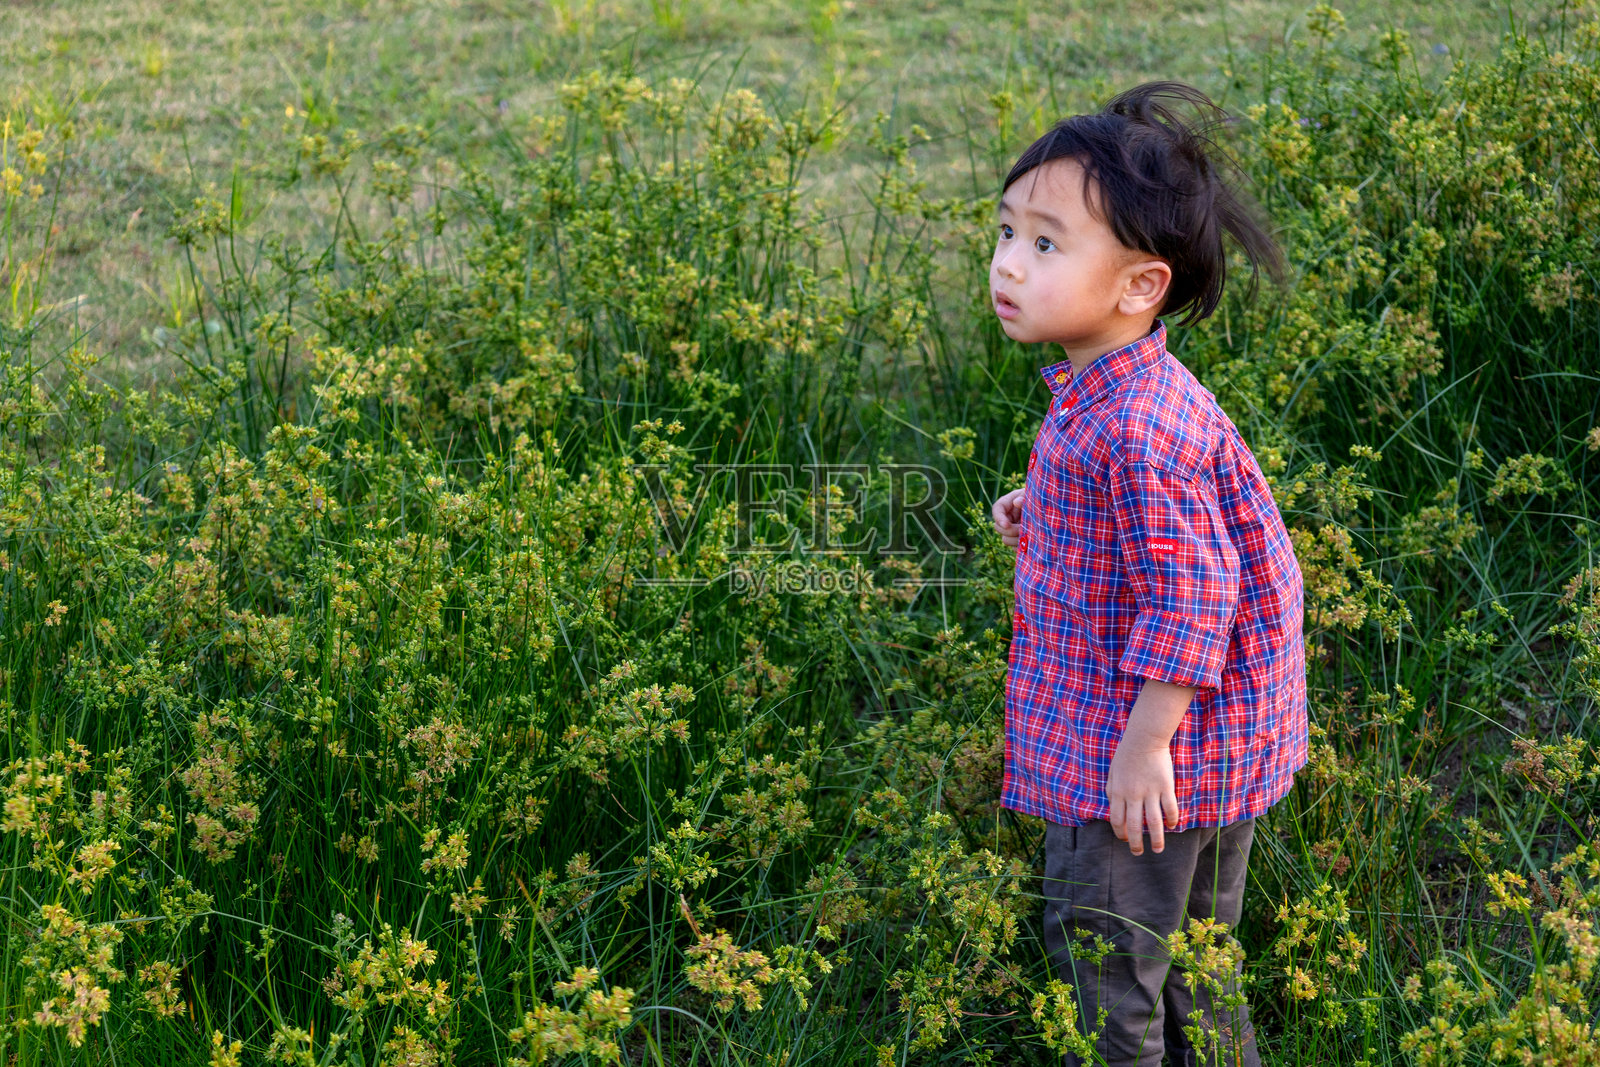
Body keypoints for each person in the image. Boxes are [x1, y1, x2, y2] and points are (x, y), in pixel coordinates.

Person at [988, 82, 1307, 1066]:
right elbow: (1158, 537)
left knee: (1107, 964)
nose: (1006, 262)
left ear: (1138, 285)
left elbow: (1193, 590)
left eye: (1046, 244)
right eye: (1006, 230)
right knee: (1197, 961)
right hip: (1214, 750)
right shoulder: (1122, 389)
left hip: (1141, 759)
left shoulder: (1129, 426)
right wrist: (1044, 512)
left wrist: (1140, 749)